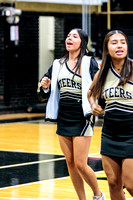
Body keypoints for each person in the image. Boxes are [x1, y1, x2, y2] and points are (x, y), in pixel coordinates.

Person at [37, 28, 105, 200]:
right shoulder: (57, 64)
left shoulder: (89, 62)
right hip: (63, 116)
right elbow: (44, 93)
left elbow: (99, 87)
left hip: (82, 116)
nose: (69, 38)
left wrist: (97, 104)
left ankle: (98, 195)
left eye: (74, 36)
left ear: (82, 42)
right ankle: (82, 199)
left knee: (81, 164)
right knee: (70, 162)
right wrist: (44, 85)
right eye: (68, 36)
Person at [88, 30, 133, 200]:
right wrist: (93, 105)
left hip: (131, 133)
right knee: (113, 182)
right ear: (107, 48)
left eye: (123, 42)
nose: (119, 45)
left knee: (130, 184)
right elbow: (91, 92)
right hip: (110, 134)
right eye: (114, 42)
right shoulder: (102, 73)